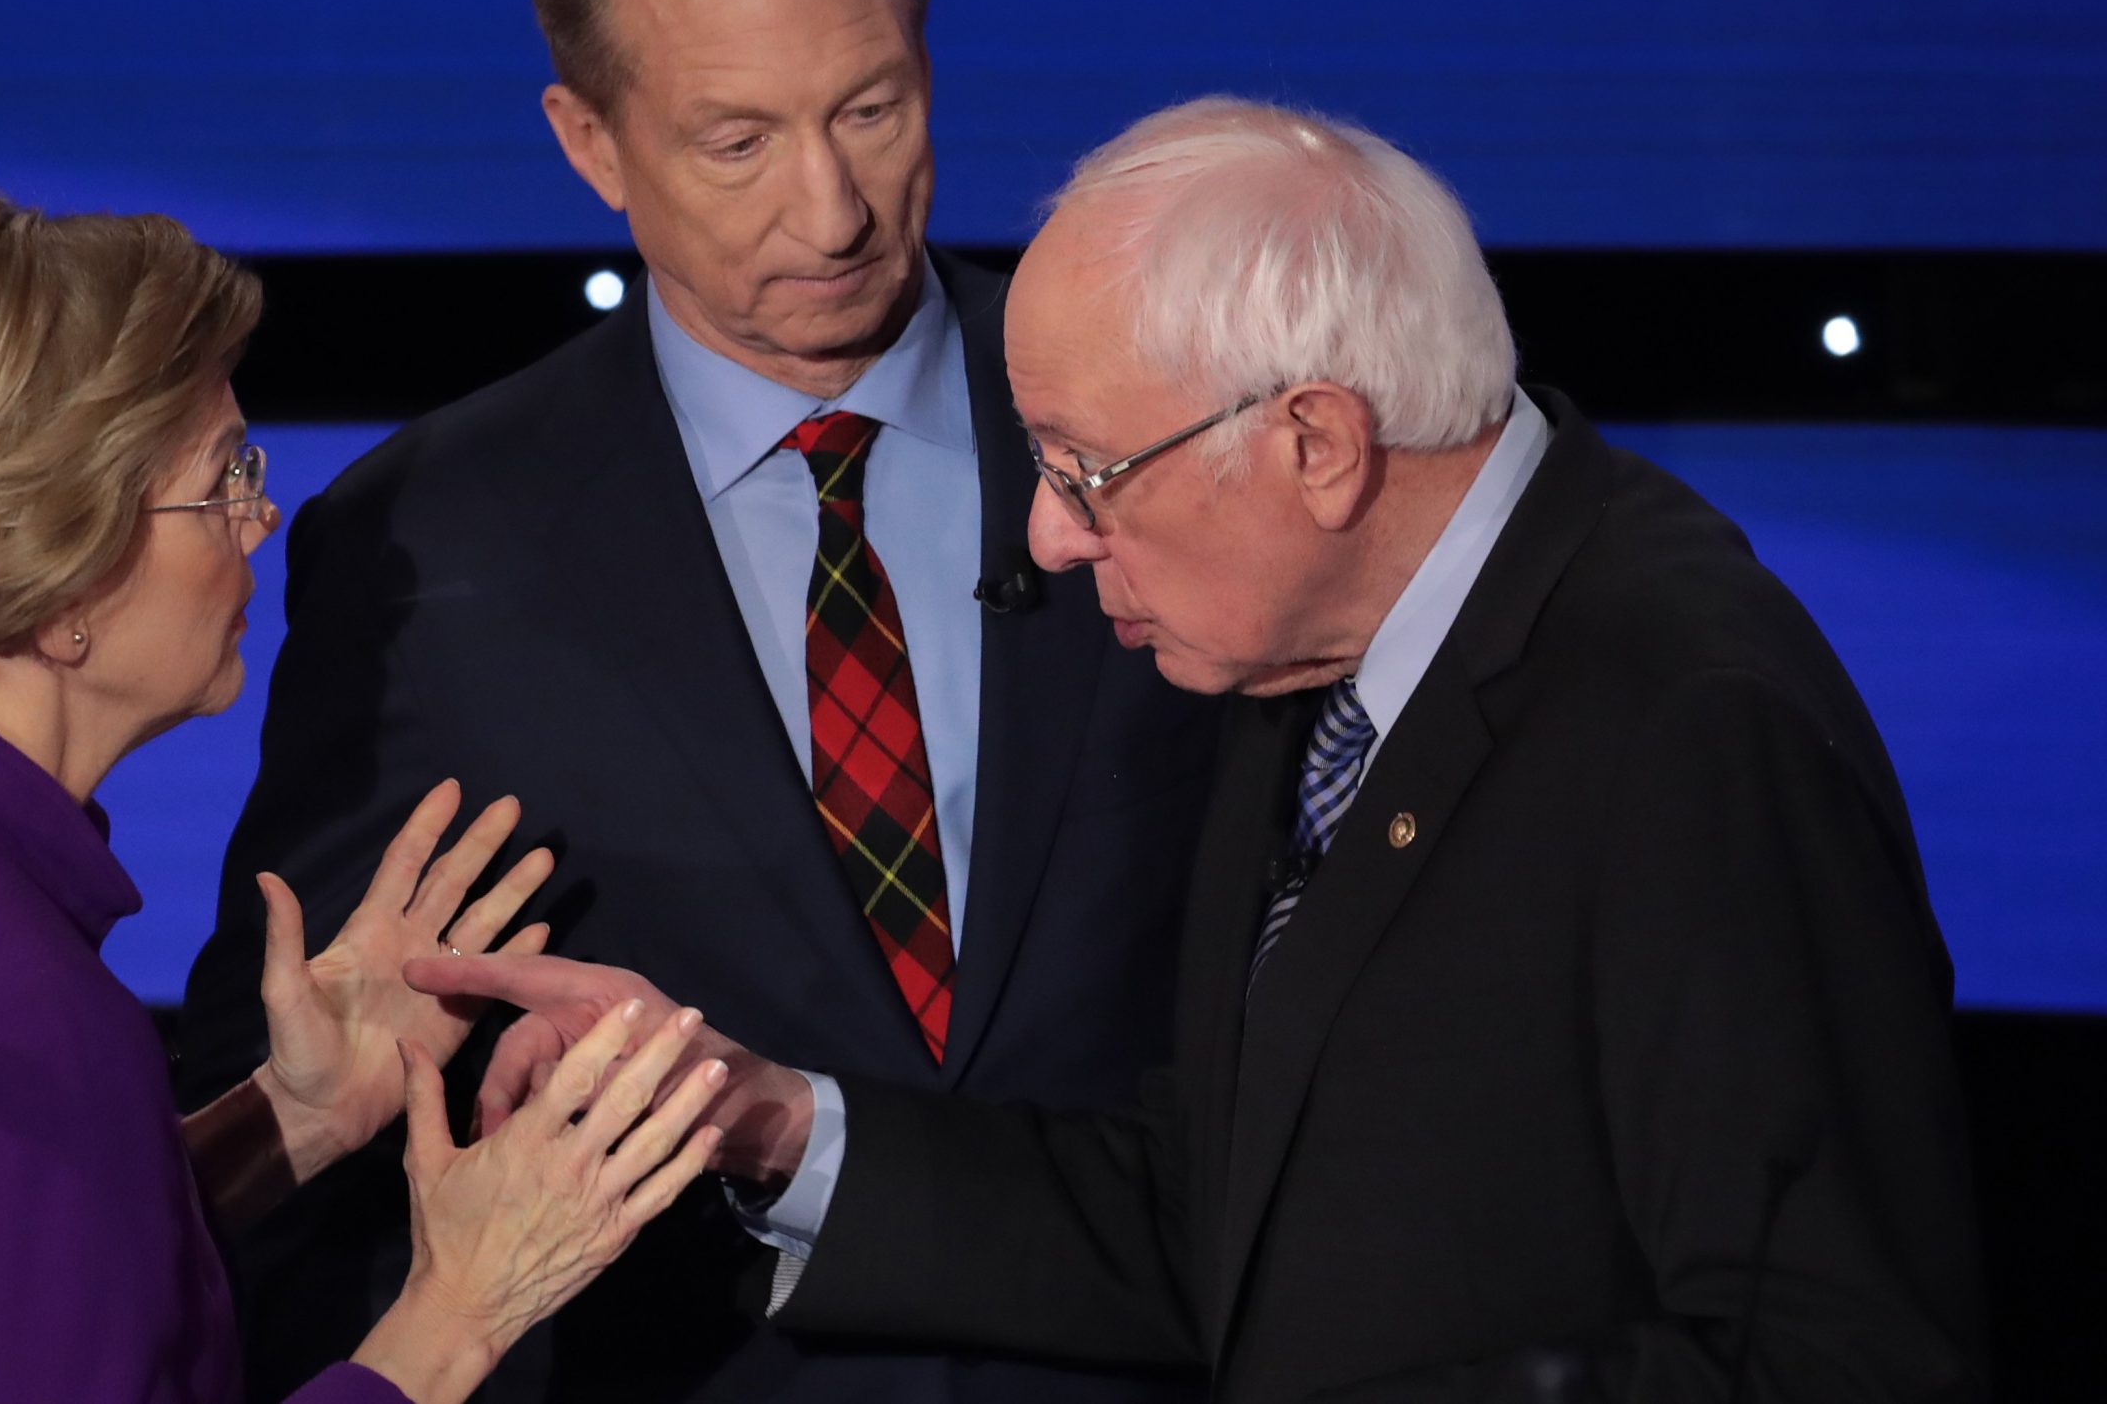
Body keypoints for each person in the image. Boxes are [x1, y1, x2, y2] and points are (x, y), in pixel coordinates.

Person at [409, 100, 1990, 1401]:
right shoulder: (1306, 667)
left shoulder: (1684, 720)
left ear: (1314, 443)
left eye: (1090, 473)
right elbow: (1214, 1221)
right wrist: (763, 1115)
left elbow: (1832, 1358)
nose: (1047, 534)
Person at [175, 0, 1219, 1404]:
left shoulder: (1169, 414)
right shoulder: (429, 544)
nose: (834, 208)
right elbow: (305, 1096)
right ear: (588, 142)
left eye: (872, 108)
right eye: (737, 141)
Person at [0, 189, 728, 1404]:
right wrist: (460, 1306)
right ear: (58, 569)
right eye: (224, 476)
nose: (262, 516)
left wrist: (293, 1113)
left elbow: (2, 1278)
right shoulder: (15, 1011)